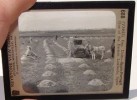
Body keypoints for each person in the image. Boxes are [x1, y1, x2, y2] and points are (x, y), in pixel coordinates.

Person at [0, 0, 37, 100]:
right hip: (25, 59)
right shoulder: (28, 51)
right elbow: (31, 54)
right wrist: (35, 57)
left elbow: (32, 53)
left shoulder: (28, 50)